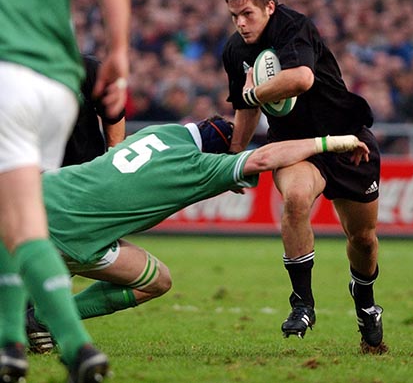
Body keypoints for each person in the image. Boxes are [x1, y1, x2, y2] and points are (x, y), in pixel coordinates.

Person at [24, 116, 369, 352]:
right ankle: (46, 318)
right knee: (156, 281)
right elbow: (263, 159)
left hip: (38, 190)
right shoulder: (198, 166)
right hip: (72, 234)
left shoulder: (158, 132)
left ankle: (32, 309)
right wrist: (329, 142)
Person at [222, 0, 386, 354]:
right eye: (234, 16)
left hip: (347, 141)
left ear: (270, 7)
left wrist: (253, 93)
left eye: (247, 14)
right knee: (295, 199)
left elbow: (301, 79)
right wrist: (234, 158)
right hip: (294, 145)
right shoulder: (234, 51)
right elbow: (245, 108)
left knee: (363, 240)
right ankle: (303, 304)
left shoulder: (294, 27)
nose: (241, 24)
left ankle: (366, 304)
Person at [0, 0, 130, 382]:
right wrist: (119, 52)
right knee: (16, 218)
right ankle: (11, 344)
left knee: (22, 224)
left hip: (7, 80)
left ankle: (74, 345)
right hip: (57, 85)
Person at [62, 55, 126, 167]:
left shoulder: (87, 68)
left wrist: (113, 162)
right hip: (40, 168)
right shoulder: (29, 75)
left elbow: (114, 118)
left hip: (86, 166)